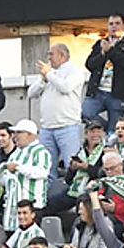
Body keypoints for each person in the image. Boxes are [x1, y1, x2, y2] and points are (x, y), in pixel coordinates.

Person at [27, 42, 86, 180]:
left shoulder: (75, 71)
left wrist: (49, 75)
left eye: (51, 54)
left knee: (72, 168)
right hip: (47, 129)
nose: (49, 57)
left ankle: (74, 200)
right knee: (46, 170)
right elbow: (31, 93)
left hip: (68, 127)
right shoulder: (48, 74)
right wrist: (43, 79)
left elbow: (66, 87)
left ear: (62, 55)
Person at [83, 14, 124, 130]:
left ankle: (110, 135)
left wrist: (111, 51)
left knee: (115, 130)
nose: (114, 27)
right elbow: (89, 64)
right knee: (86, 113)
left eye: (117, 23)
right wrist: (102, 53)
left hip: (118, 94)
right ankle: (106, 129)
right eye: (111, 24)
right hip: (97, 91)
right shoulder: (101, 43)